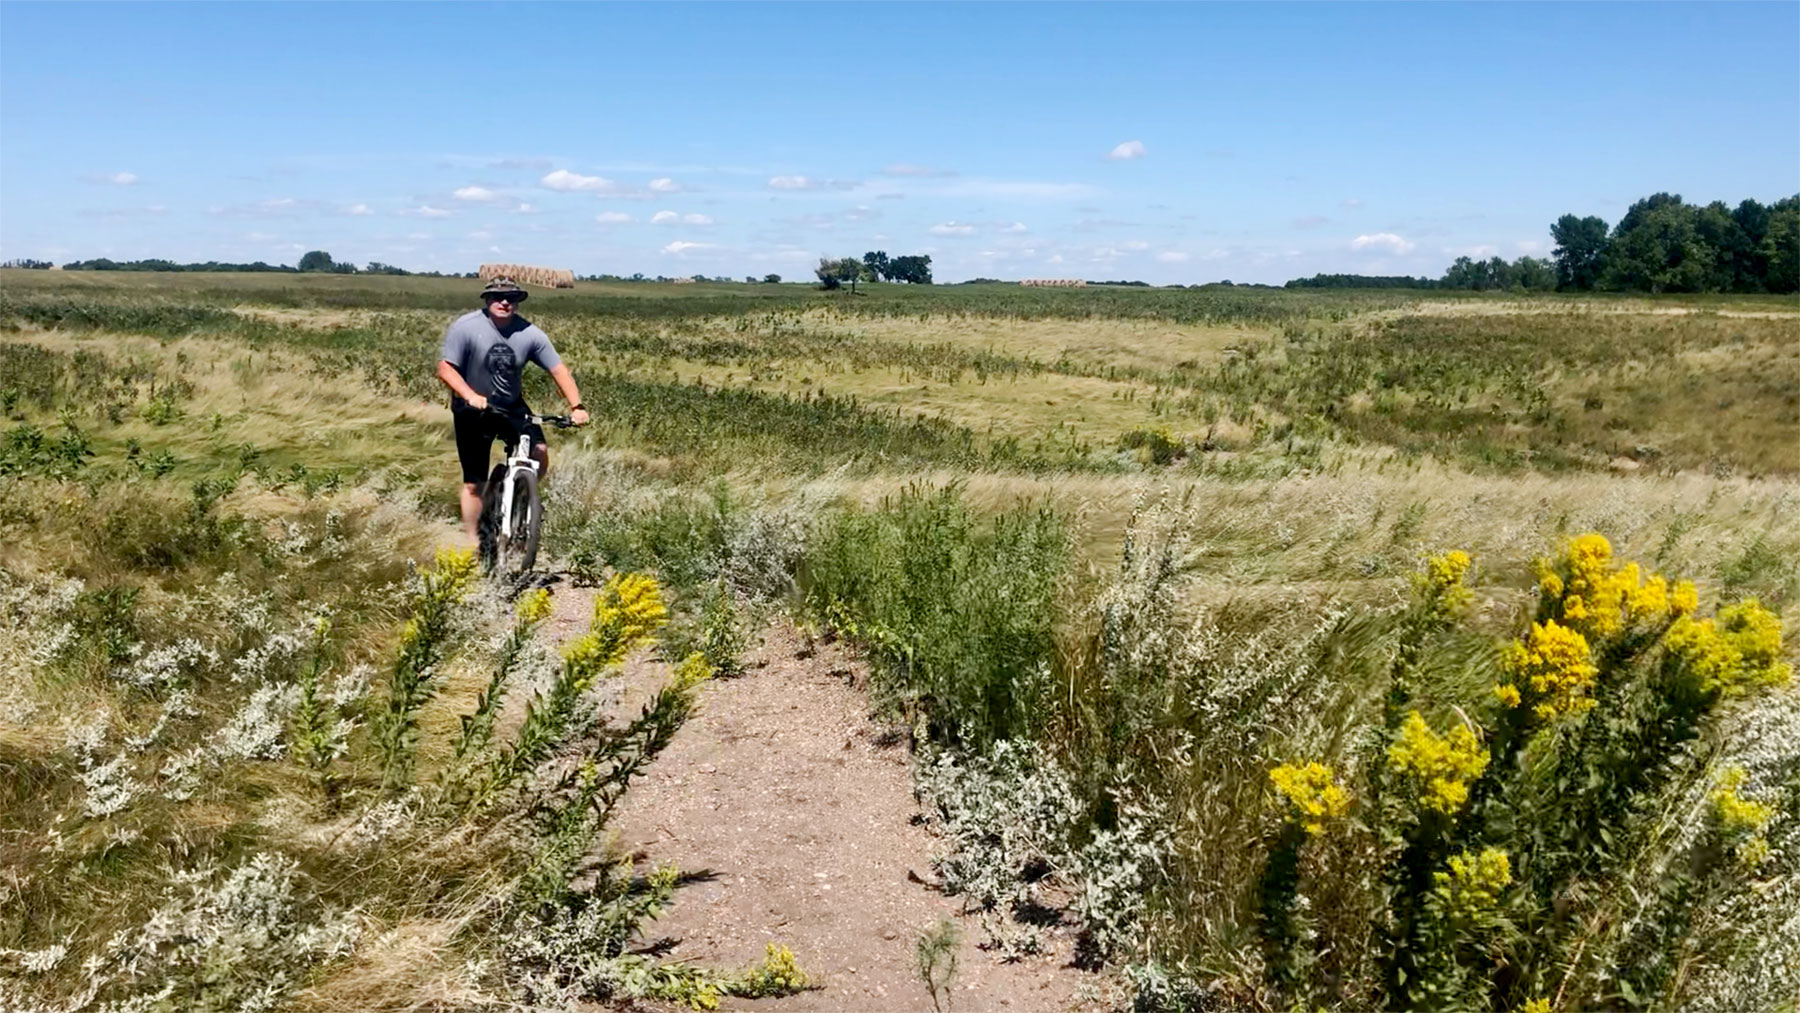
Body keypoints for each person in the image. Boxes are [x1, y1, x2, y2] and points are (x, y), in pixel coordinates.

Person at [436, 276, 590, 543]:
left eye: (512, 298)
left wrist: (577, 406)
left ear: (518, 302)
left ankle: (512, 497)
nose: (505, 302)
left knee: (539, 453)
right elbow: (446, 368)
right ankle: (474, 543)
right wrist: (470, 395)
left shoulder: (530, 334)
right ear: (487, 300)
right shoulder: (467, 327)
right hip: (471, 408)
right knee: (474, 484)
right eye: (498, 297)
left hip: (511, 405)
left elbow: (558, 370)